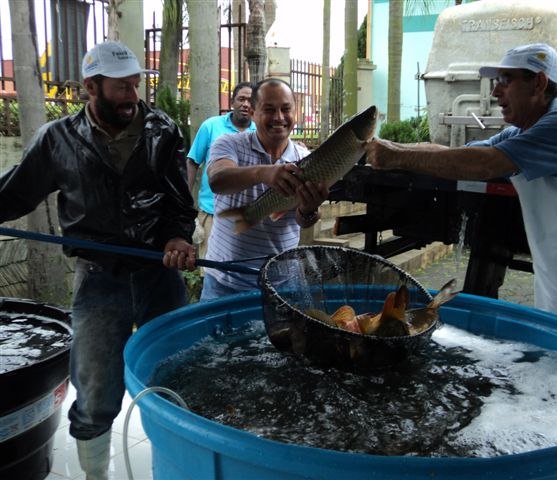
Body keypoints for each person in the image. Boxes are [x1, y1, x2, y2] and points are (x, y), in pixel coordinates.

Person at [366, 43, 557, 478]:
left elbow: (485, 163)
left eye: (506, 80)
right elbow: (448, 152)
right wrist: (385, 145)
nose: (496, 91)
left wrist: (396, 157)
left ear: (541, 84)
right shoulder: (522, 136)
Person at [0, 41, 197, 479]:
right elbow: (12, 193)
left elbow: (179, 203)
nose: (132, 95)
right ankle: (95, 475)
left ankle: (180, 466)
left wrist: (178, 237)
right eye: (121, 86)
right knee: (93, 394)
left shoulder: (162, 130)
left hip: (157, 275)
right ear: (92, 86)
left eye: (135, 83)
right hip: (97, 279)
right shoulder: (58, 139)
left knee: (178, 377)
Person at [200, 77, 328, 300]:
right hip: (224, 281)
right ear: (253, 113)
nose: (279, 117)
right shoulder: (229, 143)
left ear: (295, 113)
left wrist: (309, 209)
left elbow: (303, 221)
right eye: (269, 110)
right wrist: (264, 173)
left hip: (282, 283)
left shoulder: (305, 159)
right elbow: (217, 179)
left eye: (286, 109)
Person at [186, 82, 256, 259]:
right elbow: (193, 162)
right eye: (241, 99)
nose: (245, 104)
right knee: (212, 270)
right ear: (232, 102)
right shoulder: (211, 126)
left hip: (248, 214)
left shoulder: (260, 131)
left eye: (250, 100)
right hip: (212, 213)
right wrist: (186, 203)